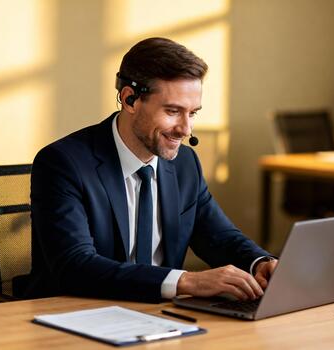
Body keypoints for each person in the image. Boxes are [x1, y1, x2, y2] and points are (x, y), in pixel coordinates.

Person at [17, 37, 278, 303]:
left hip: (159, 318)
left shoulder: (185, 164)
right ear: (129, 99)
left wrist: (260, 262)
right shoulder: (63, 163)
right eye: (173, 111)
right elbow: (74, 267)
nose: (186, 130)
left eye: (193, 113)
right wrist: (186, 281)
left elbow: (219, 236)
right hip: (75, 315)